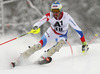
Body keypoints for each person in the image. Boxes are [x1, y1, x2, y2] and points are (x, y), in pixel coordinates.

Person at [11, 1, 89, 67]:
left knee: (60, 44)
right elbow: (40, 22)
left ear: (60, 10)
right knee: (39, 45)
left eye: (57, 11)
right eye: (53, 11)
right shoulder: (49, 15)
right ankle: (21, 57)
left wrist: (84, 43)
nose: (55, 13)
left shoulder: (66, 17)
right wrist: (35, 27)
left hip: (62, 35)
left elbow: (78, 29)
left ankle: (44, 56)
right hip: (51, 32)